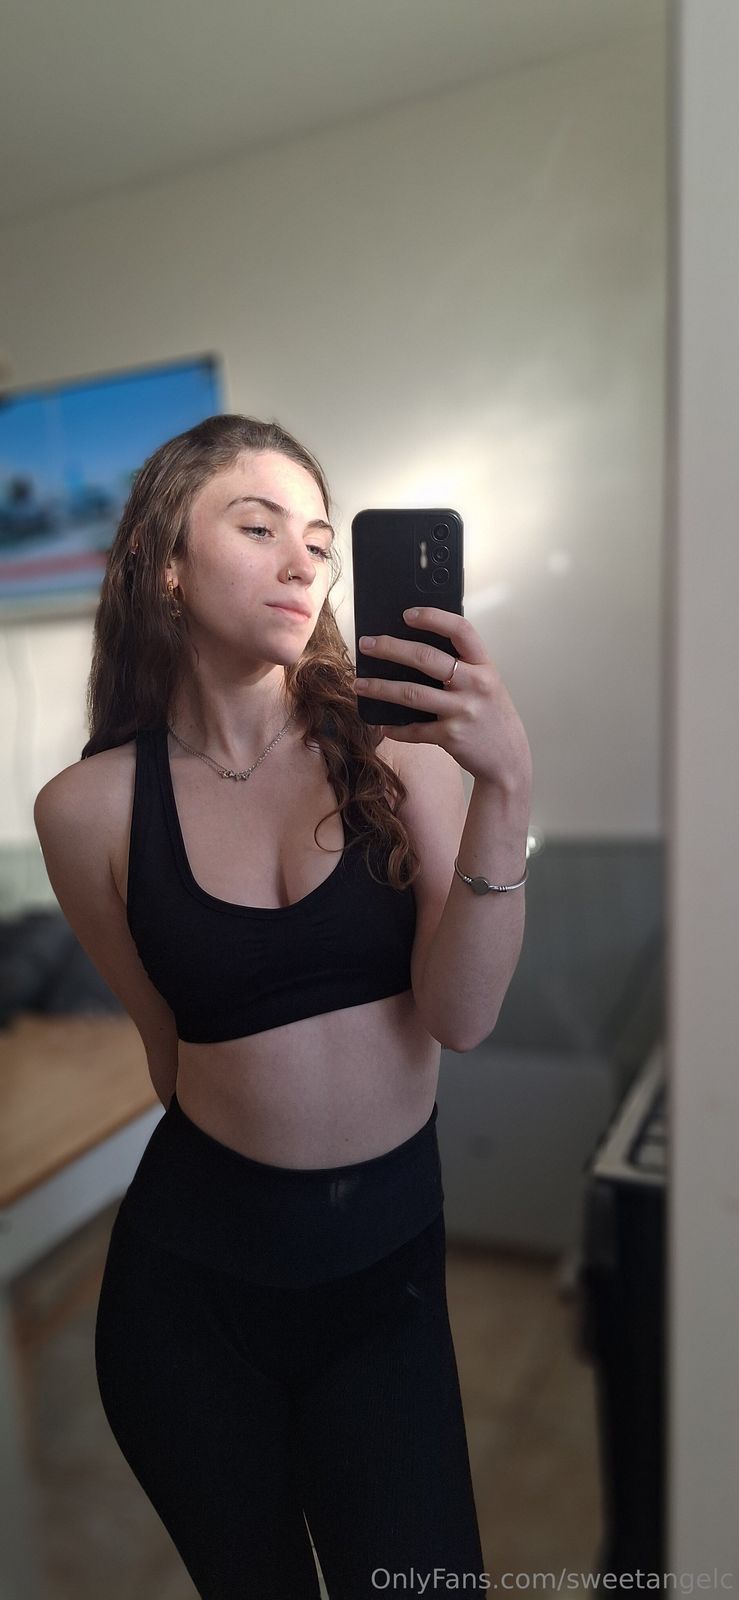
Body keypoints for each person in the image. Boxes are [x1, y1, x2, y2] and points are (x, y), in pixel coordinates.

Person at [33, 413, 532, 1598]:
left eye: (317, 539)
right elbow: (168, 1052)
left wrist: (505, 784)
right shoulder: (86, 811)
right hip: (188, 1299)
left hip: (385, 1280)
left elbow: (461, 1017)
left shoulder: (399, 754)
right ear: (165, 560)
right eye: (257, 528)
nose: (302, 561)